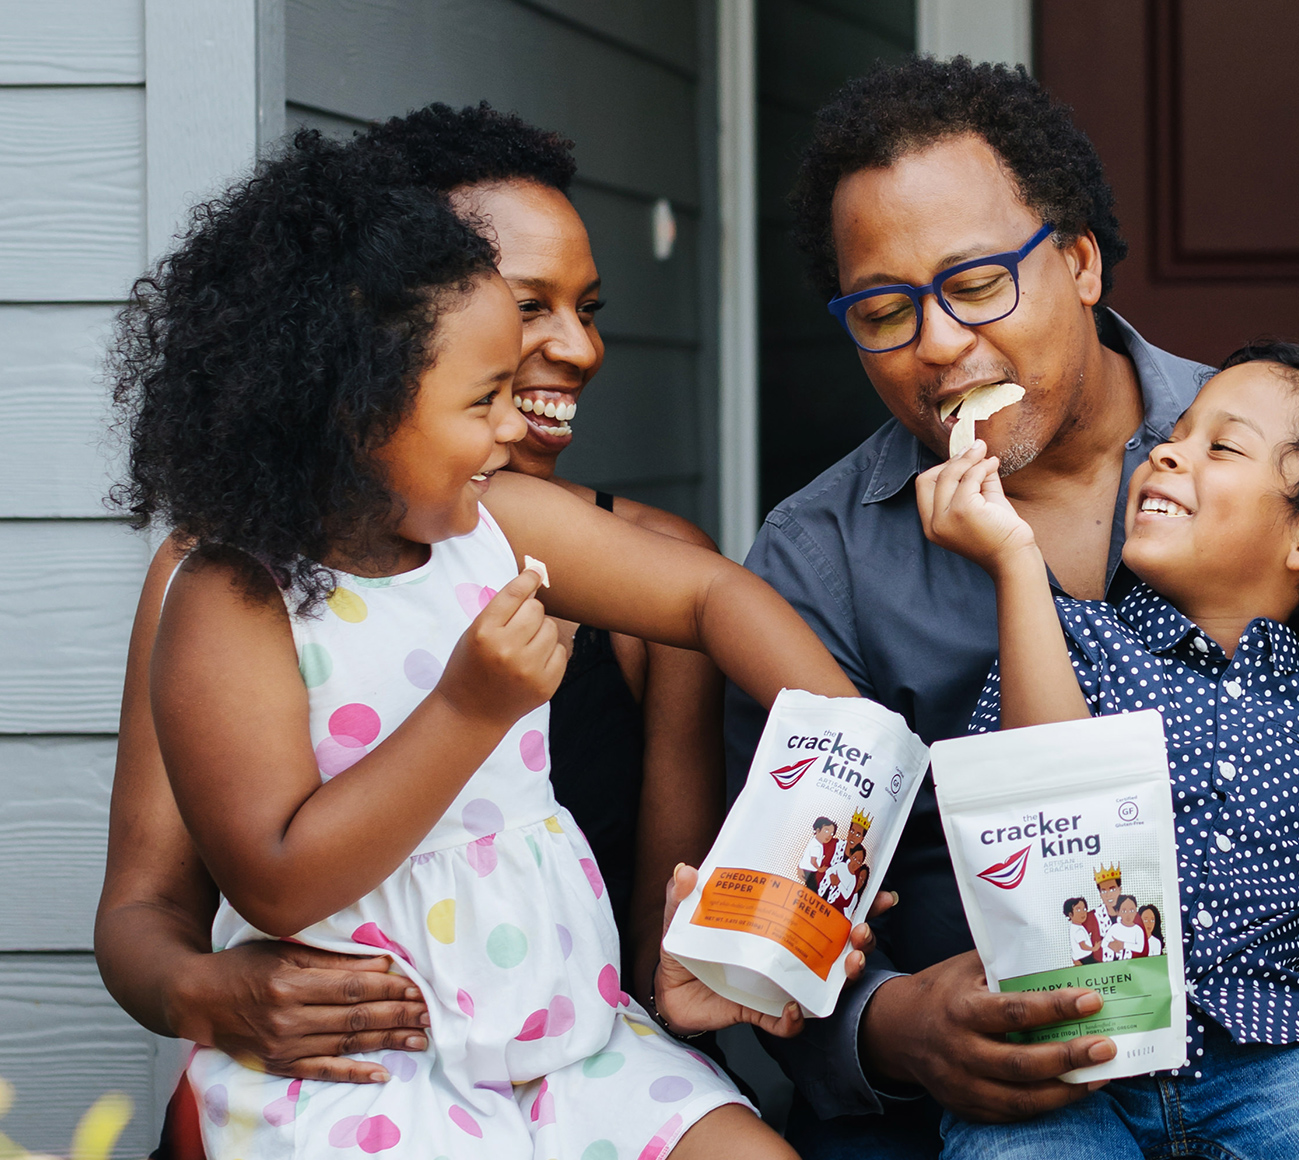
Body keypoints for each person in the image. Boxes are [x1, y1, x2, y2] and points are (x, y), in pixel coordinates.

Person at [724, 57, 1299, 1156]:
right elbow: (774, 915)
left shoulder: (1273, 463)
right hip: (998, 1110)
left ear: (1081, 260)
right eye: (885, 309)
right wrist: (897, 1026)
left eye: (978, 283)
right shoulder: (820, 561)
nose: (940, 344)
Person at [109, 129, 865, 1159]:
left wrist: (843, 775)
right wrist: (469, 706)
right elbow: (273, 881)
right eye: (484, 394)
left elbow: (711, 598)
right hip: (376, 1068)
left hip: (571, 1040)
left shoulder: (497, 522)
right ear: (355, 401)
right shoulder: (231, 598)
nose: (516, 424)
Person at [915, 341, 1299, 1156]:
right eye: (1176, 433)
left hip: (1266, 1066)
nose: (1165, 450)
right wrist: (1017, 561)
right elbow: (1046, 801)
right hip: (1058, 1069)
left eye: (1219, 445)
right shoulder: (1066, 646)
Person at [1064, 899, 1100, 966]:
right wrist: (1094, 948)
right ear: (1070, 914)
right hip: (1085, 957)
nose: (1082, 912)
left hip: (1081, 957)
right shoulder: (1078, 930)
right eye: (1078, 910)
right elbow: (1083, 946)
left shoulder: (1075, 927)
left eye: (1084, 909)